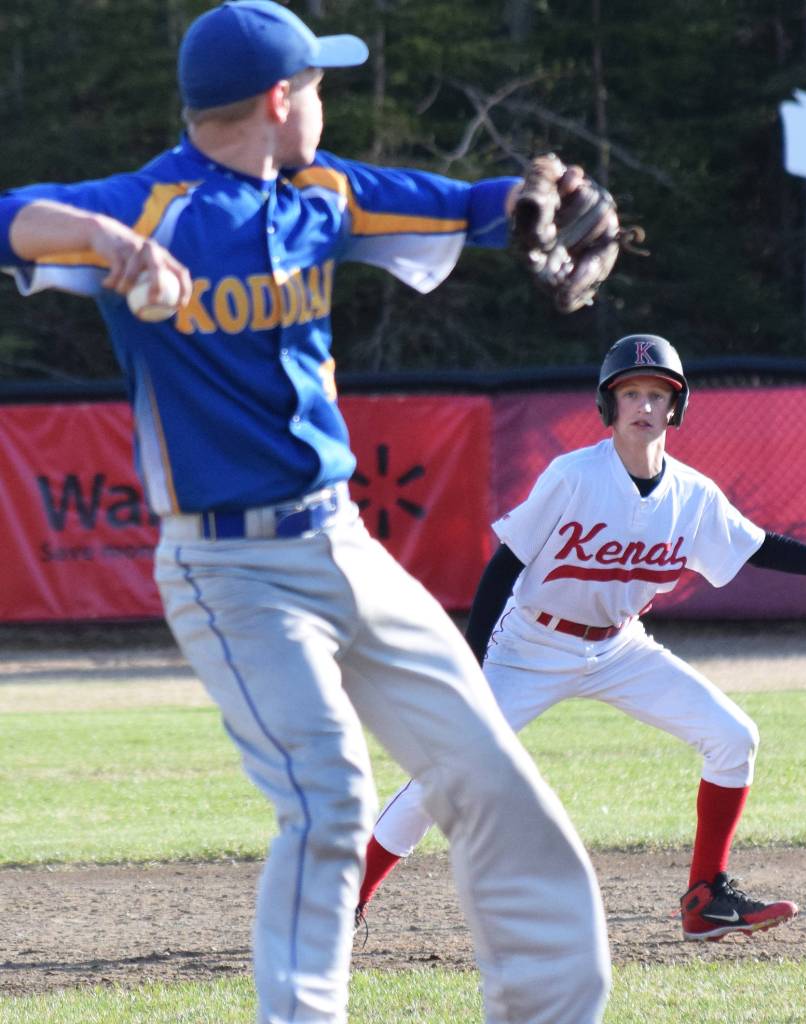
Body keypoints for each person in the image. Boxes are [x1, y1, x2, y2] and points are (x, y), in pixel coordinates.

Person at [0, 3, 612, 1022]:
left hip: (343, 544)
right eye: (318, 85)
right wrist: (105, 240)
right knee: (330, 801)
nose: (325, 102)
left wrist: (546, 204)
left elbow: (472, 206)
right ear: (280, 100)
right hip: (229, 570)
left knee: (489, 775)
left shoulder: (324, 194)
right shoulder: (147, 208)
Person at [358, 332, 806, 942]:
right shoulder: (573, 476)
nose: (644, 406)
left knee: (733, 737)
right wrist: (471, 661)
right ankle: (345, 901)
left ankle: (706, 898)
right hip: (530, 647)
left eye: (657, 394)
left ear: (675, 408)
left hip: (620, 647)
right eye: (630, 394)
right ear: (609, 406)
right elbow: (504, 566)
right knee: (446, 771)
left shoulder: (692, 494)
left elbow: (758, 545)